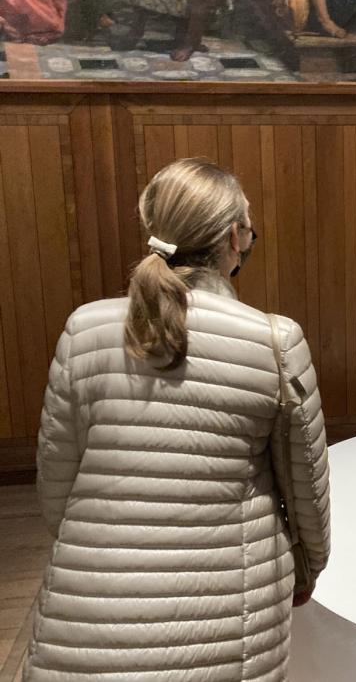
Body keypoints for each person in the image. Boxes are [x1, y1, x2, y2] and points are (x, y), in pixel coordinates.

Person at [23, 158, 331, 681]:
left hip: (86, 615)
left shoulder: (82, 330)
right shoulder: (275, 342)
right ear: (235, 237)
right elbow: (306, 490)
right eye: (249, 226)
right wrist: (308, 566)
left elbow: (57, 482)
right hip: (228, 619)